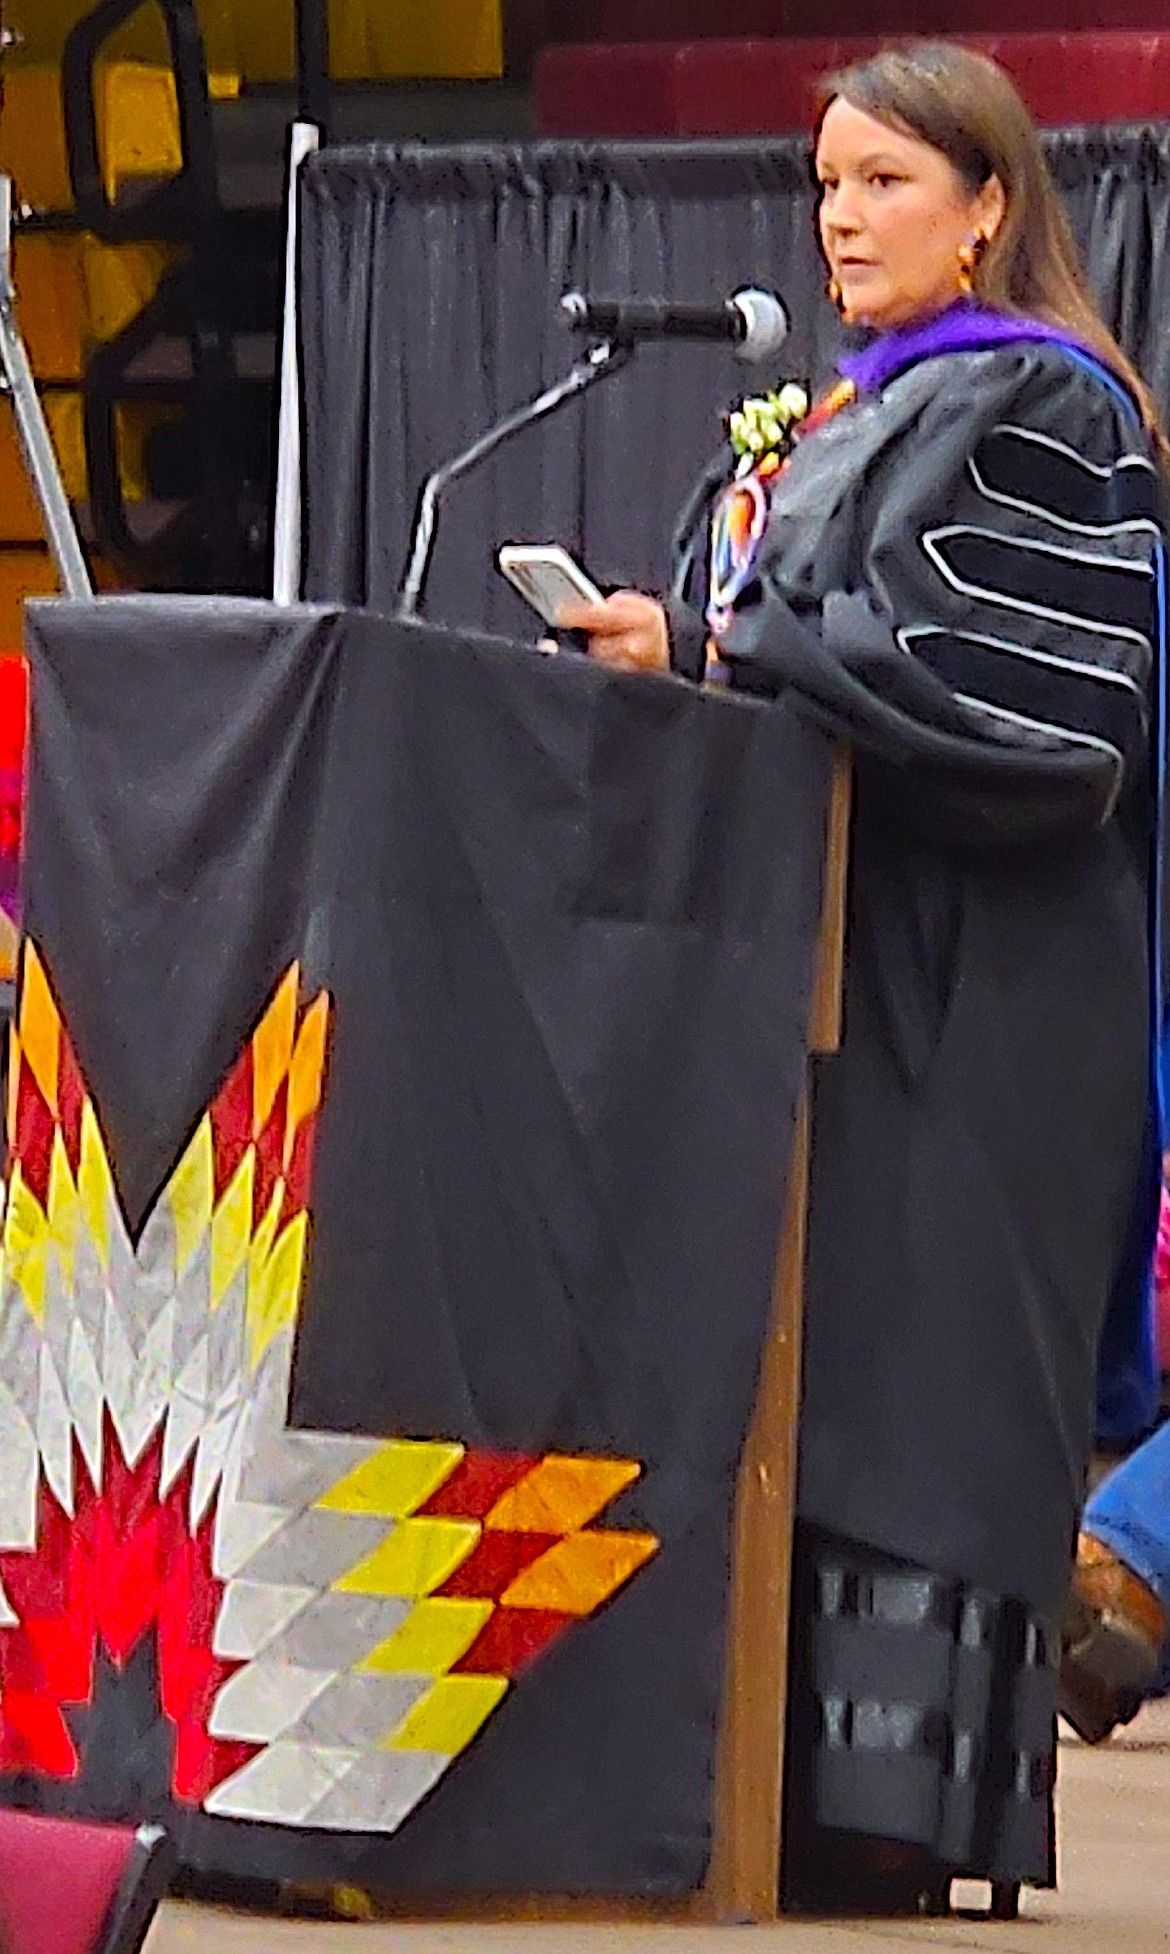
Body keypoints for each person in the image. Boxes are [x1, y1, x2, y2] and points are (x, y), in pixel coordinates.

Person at [559, 41, 1167, 1915]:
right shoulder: (835, 414)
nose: (840, 214)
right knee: (798, 1379)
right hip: (817, 982)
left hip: (976, 1002)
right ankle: (764, 1792)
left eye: (886, 179)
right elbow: (788, 654)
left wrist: (741, 649)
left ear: (990, 205)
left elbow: (1054, 722)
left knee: (906, 1398)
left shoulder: (1059, 416)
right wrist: (677, 652)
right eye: (826, 179)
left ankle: (892, 1811)